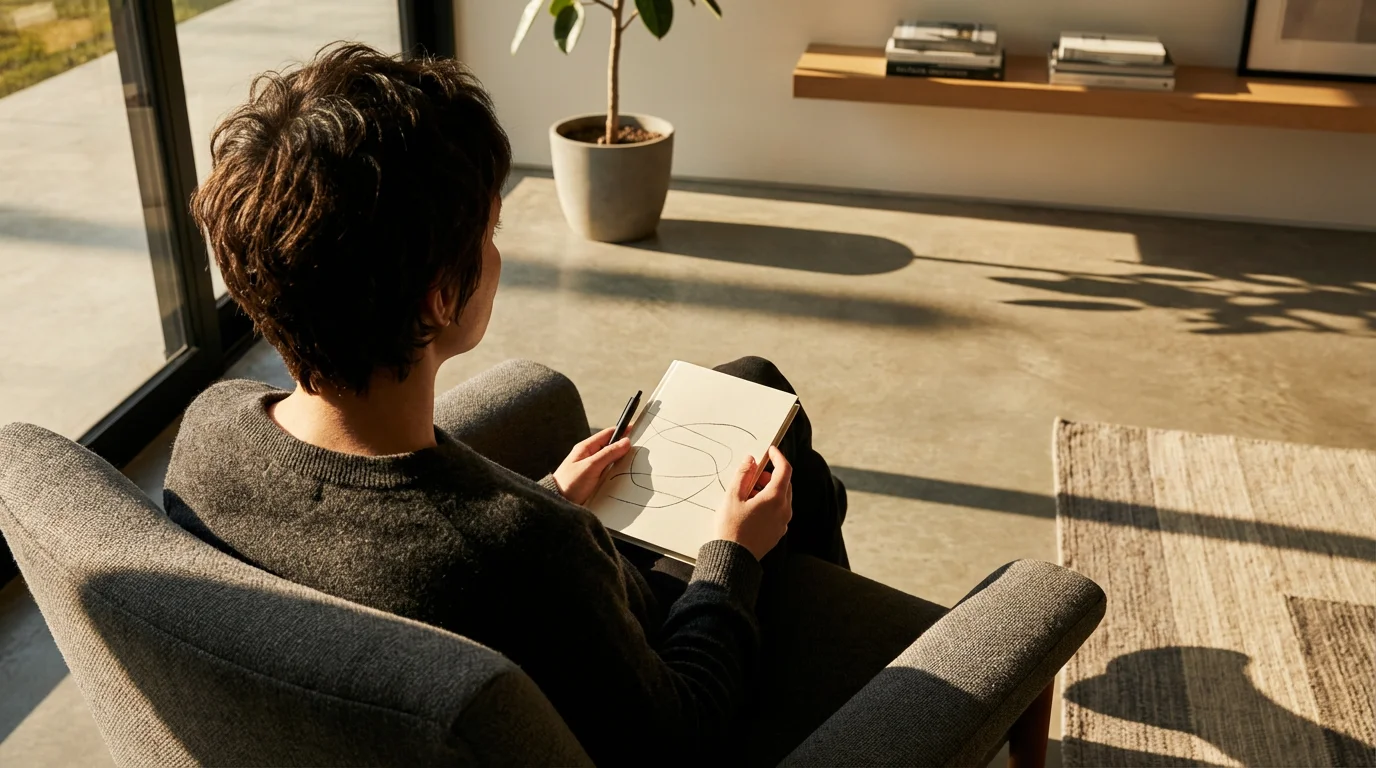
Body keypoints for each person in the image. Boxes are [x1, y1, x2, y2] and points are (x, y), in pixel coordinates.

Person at [165, 43, 846, 765]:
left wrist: (548, 494)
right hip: (662, 691)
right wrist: (733, 557)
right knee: (784, 450)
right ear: (439, 296)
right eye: (488, 234)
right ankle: (853, 687)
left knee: (751, 379)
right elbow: (680, 732)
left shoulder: (210, 434)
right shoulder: (522, 553)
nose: (497, 253)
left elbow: (386, 538)